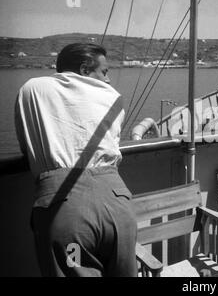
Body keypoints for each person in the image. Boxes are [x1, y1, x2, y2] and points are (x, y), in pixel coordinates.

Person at [15, 43, 137, 276]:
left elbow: (27, 147)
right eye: (104, 72)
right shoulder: (113, 98)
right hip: (119, 208)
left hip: (69, 216)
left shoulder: (32, 89)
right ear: (84, 70)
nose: (108, 80)